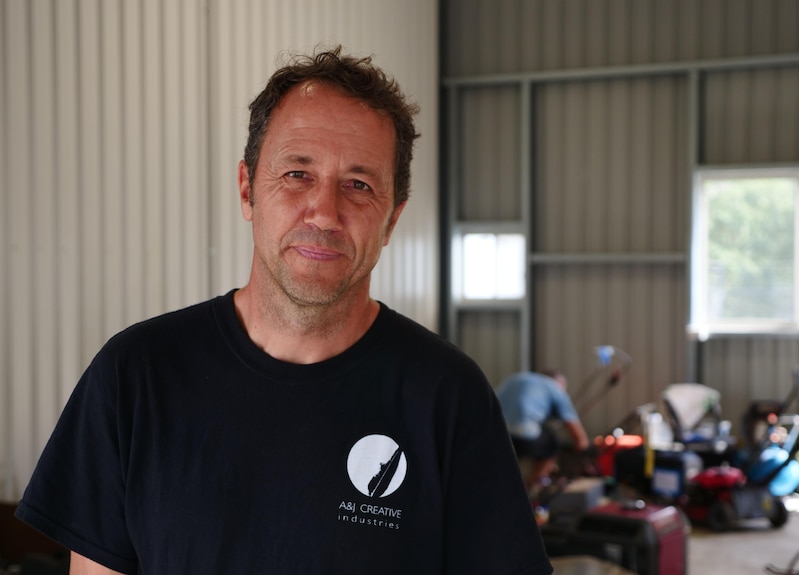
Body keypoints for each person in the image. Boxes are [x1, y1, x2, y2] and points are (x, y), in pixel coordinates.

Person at [15, 46, 552, 575]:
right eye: (297, 174)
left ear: (391, 221)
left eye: (359, 185)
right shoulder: (135, 375)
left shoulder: (448, 397)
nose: (325, 211)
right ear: (248, 188)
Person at [496, 369, 590, 490]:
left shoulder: (516, 378)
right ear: (558, 383)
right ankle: (531, 487)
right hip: (523, 434)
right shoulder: (554, 388)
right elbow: (579, 437)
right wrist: (584, 454)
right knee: (552, 444)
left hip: (496, 433)